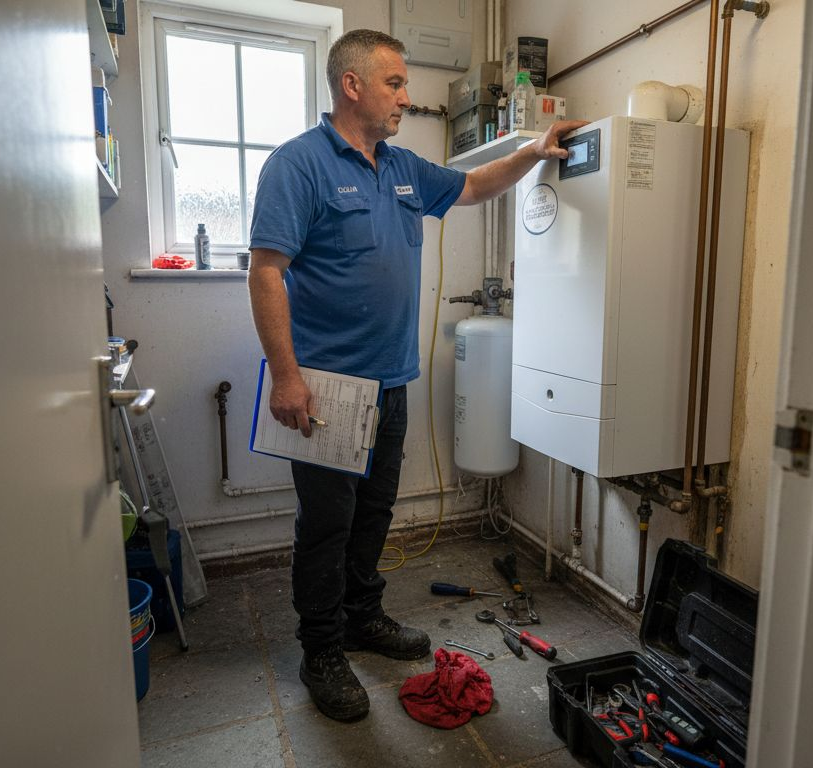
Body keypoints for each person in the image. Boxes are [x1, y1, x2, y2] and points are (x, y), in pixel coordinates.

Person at [247, 28, 586, 722]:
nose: (407, 96)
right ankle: (321, 650)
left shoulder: (402, 167)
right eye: (395, 83)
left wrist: (532, 152)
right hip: (328, 387)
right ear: (352, 86)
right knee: (327, 525)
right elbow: (266, 272)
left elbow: (473, 185)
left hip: (392, 380)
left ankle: (361, 618)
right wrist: (286, 377)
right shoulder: (297, 164)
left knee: (375, 513)